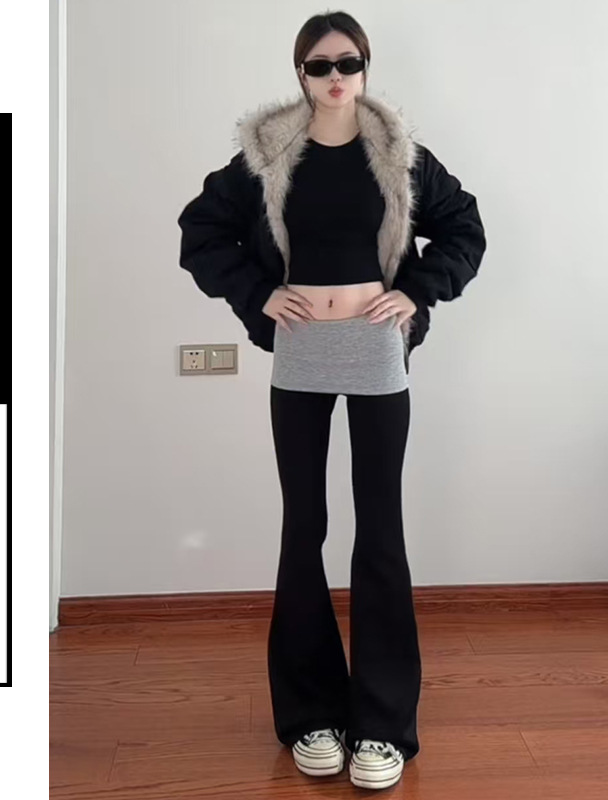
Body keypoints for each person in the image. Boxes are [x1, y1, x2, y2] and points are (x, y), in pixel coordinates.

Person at [177, 10, 486, 791]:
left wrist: (416, 291)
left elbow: (463, 229)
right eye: (320, 65)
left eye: (348, 62)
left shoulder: (402, 156)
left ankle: (382, 724)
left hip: (375, 348)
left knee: (380, 527)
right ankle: (311, 713)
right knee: (304, 526)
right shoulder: (268, 156)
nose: (336, 76)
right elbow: (200, 231)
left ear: (366, 67)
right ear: (301, 74)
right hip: (302, 351)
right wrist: (257, 293)